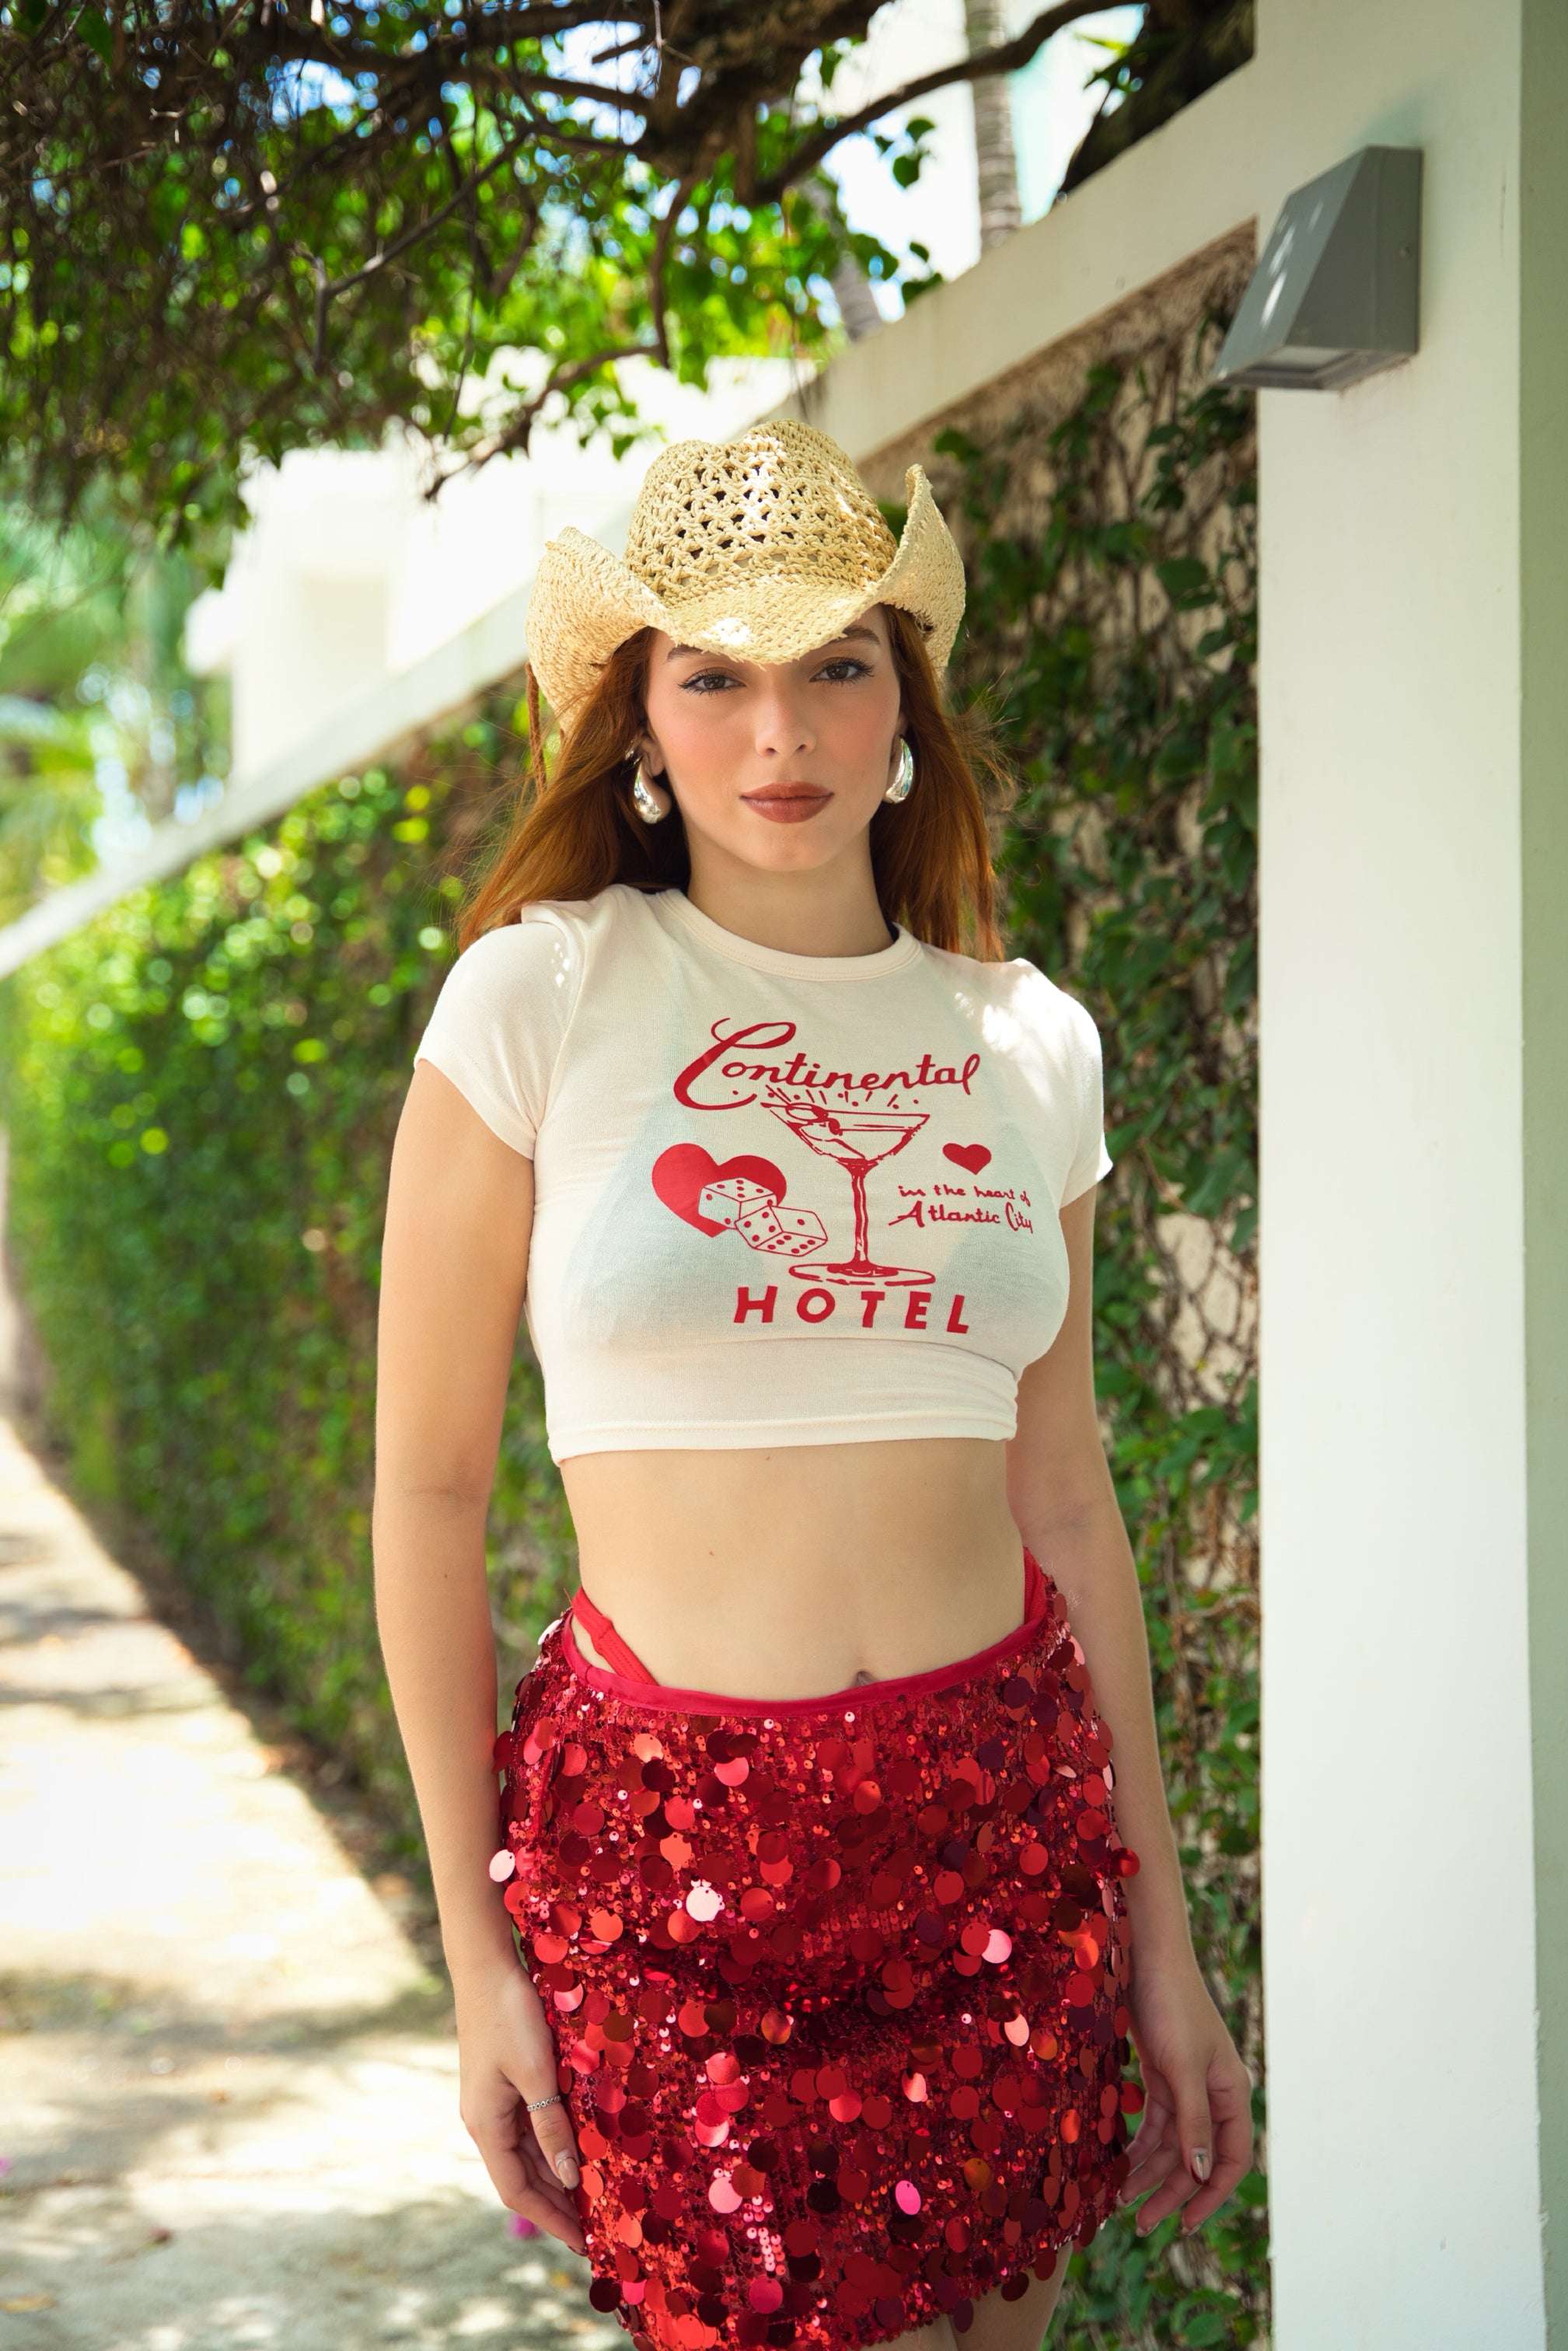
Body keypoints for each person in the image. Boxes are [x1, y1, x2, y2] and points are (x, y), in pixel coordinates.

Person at [374, 421, 1252, 2351]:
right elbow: (430, 1495)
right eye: (715, 675)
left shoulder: (1027, 1042)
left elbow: (1067, 1504)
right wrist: (476, 1953)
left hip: (1001, 1839)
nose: (781, 731)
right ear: (638, 725)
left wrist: (1165, 1949)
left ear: (903, 709)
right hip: (674, 1868)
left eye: (835, 665)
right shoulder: (541, 997)